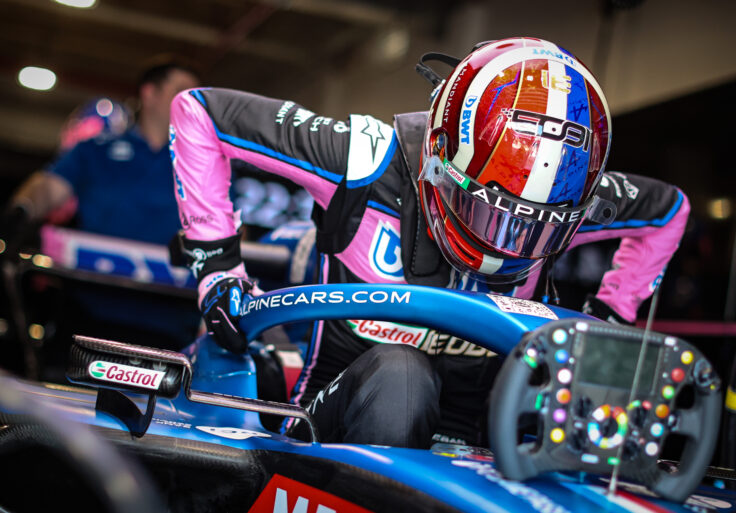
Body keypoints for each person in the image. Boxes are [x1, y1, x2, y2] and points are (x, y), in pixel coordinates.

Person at [169, 38, 689, 448]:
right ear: (441, 159)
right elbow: (199, 112)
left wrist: (613, 317)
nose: (505, 243)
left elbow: (670, 210)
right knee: (402, 376)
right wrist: (218, 269)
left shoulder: (578, 196)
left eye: (536, 226)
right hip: (328, 431)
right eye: (488, 207)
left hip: (483, 456)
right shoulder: (365, 159)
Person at [0, 55, 199, 247]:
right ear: (149, 93)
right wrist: (22, 210)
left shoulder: (202, 163)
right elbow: (49, 187)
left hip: (170, 281)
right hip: (94, 276)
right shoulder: (96, 150)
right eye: (181, 91)